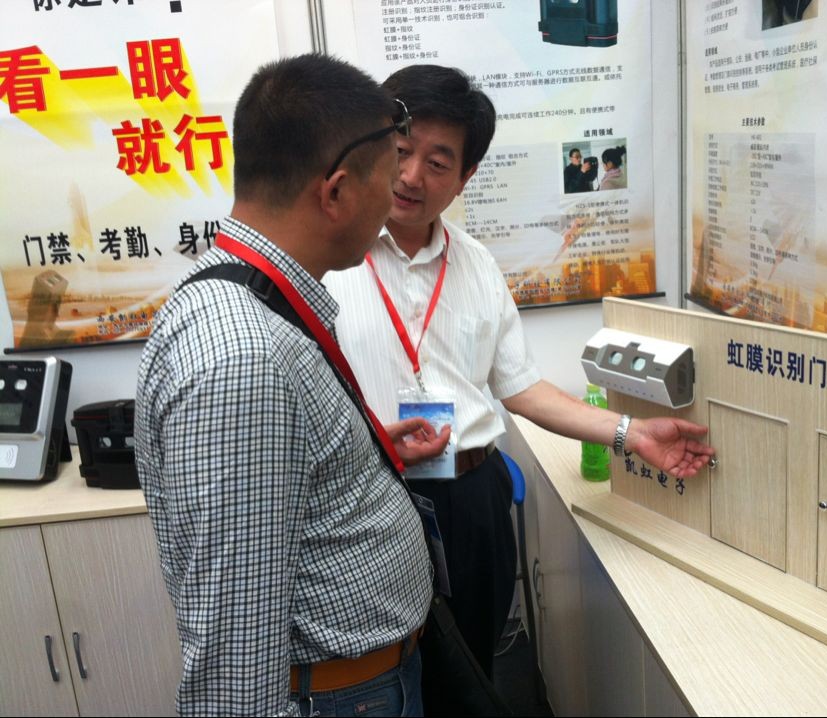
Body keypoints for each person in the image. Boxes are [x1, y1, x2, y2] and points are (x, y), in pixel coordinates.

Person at [324, 63, 714, 704]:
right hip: (374, 496)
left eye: (438, 162)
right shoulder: (329, 259)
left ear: (465, 177)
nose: (411, 176)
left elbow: (523, 389)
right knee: (390, 680)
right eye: (400, 150)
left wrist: (631, 432)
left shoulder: (477, 264)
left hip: (473, 499)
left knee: (472, 671)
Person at [135, 54, 449, 717]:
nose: (395, 200)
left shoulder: (255, 299)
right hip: (342, 699)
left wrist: (357, 454)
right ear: (336, 192)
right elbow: (232, 662)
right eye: (390, 177)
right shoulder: (242, 361)